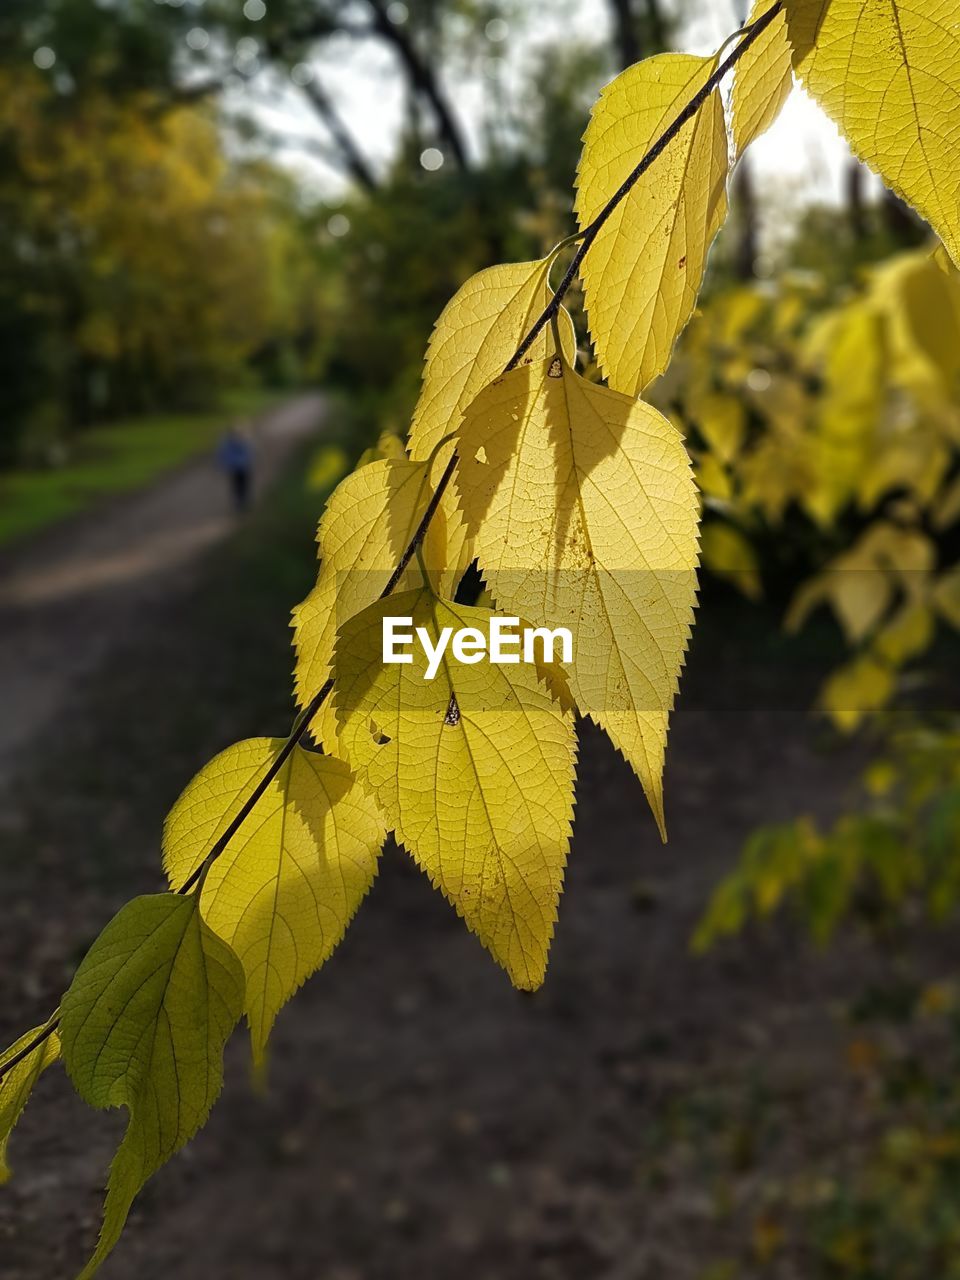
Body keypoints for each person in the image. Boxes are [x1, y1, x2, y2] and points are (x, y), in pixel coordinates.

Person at [218, 427, 254, 512]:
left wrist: (222, 464)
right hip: (241, 468)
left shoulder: (228, 443)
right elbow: (250, 454)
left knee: (239, 485)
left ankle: (241, 501)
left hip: (238, 468)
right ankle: (242, 501)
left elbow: (223, 455)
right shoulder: (244, 442)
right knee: (241, 485)